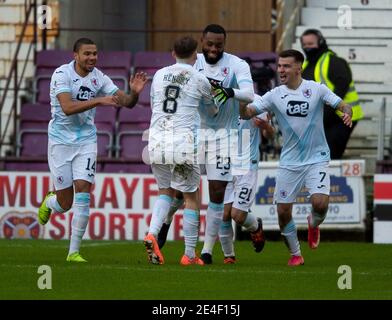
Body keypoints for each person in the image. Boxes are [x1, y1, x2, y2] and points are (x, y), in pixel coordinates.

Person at [37, 37, 148, 262]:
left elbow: (125, 102)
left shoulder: (100, 78)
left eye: (95, 53)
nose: (92, 58)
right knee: (64, 204)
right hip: (60, 142)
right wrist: (98, 101)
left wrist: (134, 93)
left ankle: (73, 252)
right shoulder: (62, 75)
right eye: (87, 54)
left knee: (84, 191)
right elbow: (67, 108)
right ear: (75, 55)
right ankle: (51, 202)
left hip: (86, 140)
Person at [240, 49, 352, 266]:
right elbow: (246, 113)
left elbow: (341, 104)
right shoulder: (274, 95)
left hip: (316, 157)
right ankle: (295, 254)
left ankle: (313, 223)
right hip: (290, 161)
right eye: (280, 66)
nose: (281, 70)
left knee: (319, 204)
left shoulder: (316, 89)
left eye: (286, 66)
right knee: (282, 211)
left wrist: (347, 111)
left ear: (298, 68)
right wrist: (239, 99)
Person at [157, 24, 256, 265]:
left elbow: (249, 94)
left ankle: (207, 251)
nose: (213, 49)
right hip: (194, 135)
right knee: (180, 192)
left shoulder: (237, 65)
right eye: (209, 44)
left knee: (217, 193)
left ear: (225, 43)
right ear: (202, 42)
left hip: (224, 137)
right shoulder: (193, 62)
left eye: (218, 45)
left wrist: (228, 92)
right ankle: (165, 223)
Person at [144, 35, 218, 266]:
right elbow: (213, 111)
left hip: (156, 141)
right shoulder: (199, 78)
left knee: (164, 192)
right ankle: (189, 254)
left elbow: (154, 101)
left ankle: (152, 233)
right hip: (183, 143)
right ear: (195, 55)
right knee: (191, 198)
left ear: (173, 53)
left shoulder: (158, 75)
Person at [218, 113, 275, 264]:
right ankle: (229, 256)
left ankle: (256, 226)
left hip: (247, 167)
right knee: (224, 214)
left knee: (237, 215)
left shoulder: (256, 103)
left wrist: (266, 127)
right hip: (226, 165)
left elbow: (271, 135)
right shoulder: (223, 100)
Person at [300, 29, 363, 159]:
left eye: (311, 44)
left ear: (321, 42)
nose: (307, 47)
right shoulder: (306, 64)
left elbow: (340, 91)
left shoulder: (335, 62)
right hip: (321, 119)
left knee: (329, 156)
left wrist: (319, 118)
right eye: (304, 45)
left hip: (341, 117)